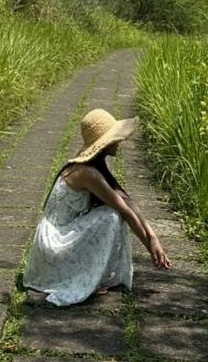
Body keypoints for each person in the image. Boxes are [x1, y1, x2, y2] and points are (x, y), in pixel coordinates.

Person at [23, 108, 172, 306]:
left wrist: (152, 237)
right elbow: (124, 210)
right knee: (110, 216)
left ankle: (92, 275)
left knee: (112, 213)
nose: (119, 142)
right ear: (104, 144)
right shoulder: (87, 173)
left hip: (62, 235)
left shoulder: (96, 168)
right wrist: (149, 245)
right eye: (115, 138)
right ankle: (87, 279)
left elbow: (128, 201)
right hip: (54, 244)